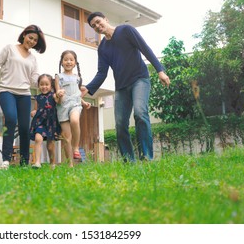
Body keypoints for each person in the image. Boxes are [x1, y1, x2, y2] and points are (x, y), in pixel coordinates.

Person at [82, 12, 170, 162]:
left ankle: (147, 157)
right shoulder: (102, 48)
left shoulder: (126, 30)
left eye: (98, 22)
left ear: (106, 19)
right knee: (120, 124)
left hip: (139, 80)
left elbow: (145, 49)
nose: (97, 26)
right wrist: (88, 88)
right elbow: (102, 73)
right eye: (93, 26)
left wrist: (160, 70)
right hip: (121, 87)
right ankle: (129, 161)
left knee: (140, 113)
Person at [0, 25, 46, 169]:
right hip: (7, 91)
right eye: (30, 37)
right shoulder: (10, 49)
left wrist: (48, 85)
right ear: (24, 35)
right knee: (11, 119)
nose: (32, 41)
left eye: (35, 40)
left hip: (24, 94)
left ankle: (24, 162)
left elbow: (34, 80)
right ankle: (6, 160)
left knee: (24, 127)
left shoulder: (33, 59)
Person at [55, 50, 91, 167]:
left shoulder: (77, 78)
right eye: (66, 59)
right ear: (61, 62)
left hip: (75, 104)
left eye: (71, 59)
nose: (68, 62)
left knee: (75, 121)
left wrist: (84, 102)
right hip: (63, 106)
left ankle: (76, 147)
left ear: (75, 63)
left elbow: (76, 93)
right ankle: (70, 163)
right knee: (66, 137)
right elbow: (57, 92)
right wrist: (59, 94)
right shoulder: (58, 76)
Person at [29, 74, 61, 169]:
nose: (44, 86)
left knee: (50, 146)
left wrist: (58, 89)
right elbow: (36, 109)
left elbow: (59, 102)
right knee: (38, 139)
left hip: (51, 123)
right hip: (40, 122)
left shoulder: (54, 96)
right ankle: (38, 162)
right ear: (38, 85)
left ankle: (52, 163)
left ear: (51, 85)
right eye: (41, 84)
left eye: (46, 84)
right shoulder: (37, 98)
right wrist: (34, 112)